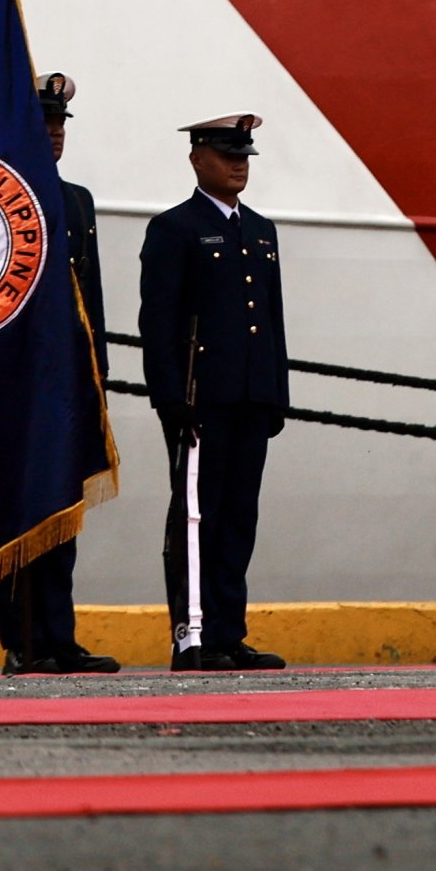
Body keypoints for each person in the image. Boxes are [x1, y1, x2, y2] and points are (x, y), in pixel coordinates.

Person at [142, 112, 290, 672]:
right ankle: (191, 635)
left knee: (237, 518)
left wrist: (277, 392)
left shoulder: (260, 229)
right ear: (197, 159)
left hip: (250, 398)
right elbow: (158, 321)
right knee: (196, 518)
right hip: (200, 400)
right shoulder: (174, 229)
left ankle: (229, 633)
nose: (238, 164)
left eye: (244, 155)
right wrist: (169, 398)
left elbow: (271, 319)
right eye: (228, 154)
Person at [0, 71, 120, 676]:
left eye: (60, 123)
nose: (55, 133)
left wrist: (99, 376)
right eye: (44, 123)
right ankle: (23, 639)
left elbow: (88, 296)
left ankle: (59, 635)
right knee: (19, 511)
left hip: (70, 380)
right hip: (16, 383)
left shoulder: (76, 201)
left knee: (63, 512)